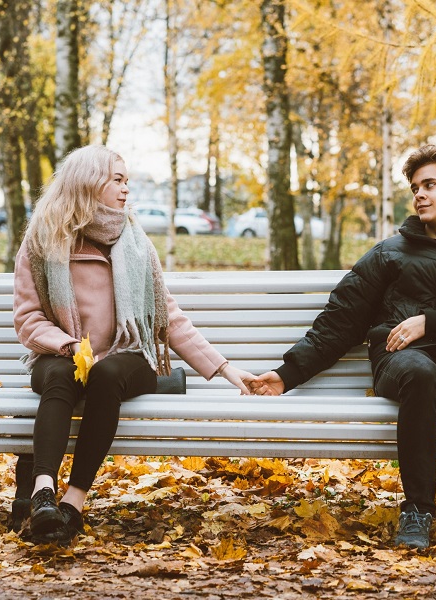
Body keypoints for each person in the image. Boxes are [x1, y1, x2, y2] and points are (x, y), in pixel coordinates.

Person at [251, 144, 436, 551]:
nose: (419, 194)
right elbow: (340, 321)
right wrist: (288, 374)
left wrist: (431, 321)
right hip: (401, 363)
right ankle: (417, 509)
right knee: (419, 372)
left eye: (430, 185)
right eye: (415, 187)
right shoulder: (389, 253)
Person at [13, 144, 255, 544]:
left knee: (107, 374)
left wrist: (225, 369)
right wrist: (68, 345)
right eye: (117, 180)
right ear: (88, 183)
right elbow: (28, 318)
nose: (126, 190)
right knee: (60, 375)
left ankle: (73, 503)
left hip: (127, 356)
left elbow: (167, 318)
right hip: (63, 353)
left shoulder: (136, 243)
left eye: (128, 181)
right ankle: (43, 494)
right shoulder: (44, 239)